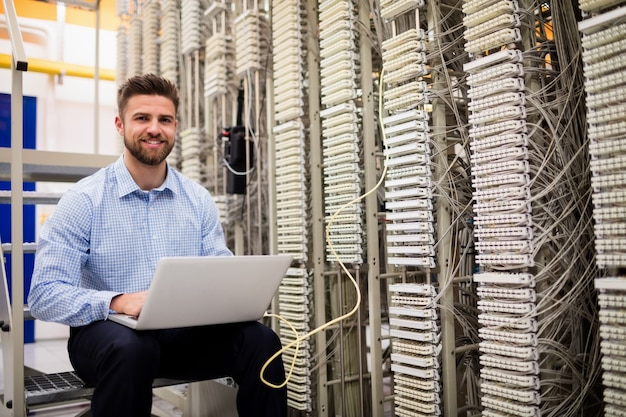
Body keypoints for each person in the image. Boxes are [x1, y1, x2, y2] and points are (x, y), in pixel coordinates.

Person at [28, 73, 287, 417]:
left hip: (182, 338)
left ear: (175, 126)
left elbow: (219, 271)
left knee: (261, 342)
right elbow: (45, 295)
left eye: (164, 120)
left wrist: (235, 299)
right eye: (142, 118)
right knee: (134, 349)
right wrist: (117, 302)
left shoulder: (196, 199)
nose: (154, 129)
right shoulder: (85, 200)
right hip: (108, 339)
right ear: (120, 125)